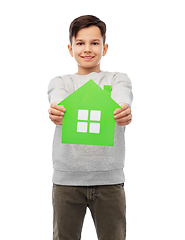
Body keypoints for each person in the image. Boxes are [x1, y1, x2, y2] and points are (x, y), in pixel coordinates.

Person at [48, 15, 133, 240]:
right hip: (67, 181)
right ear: (70, 48)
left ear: (104, 48)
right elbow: (57, 99)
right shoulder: (61, 82)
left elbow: (122, 98)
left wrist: (124, 109)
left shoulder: (117, 79)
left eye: (95, 43)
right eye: (80, 43)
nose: (87, 49)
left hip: (109, 181)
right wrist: (55, 109)